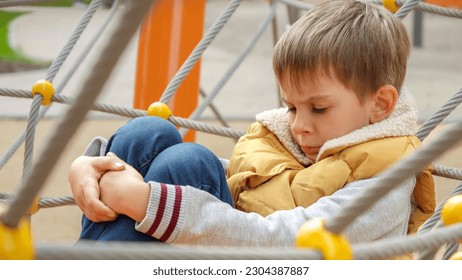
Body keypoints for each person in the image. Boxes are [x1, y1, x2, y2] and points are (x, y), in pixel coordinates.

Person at [69, 0, 435, 246]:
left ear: (380, 104)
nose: (299, 125)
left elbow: (286, 239)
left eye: (318, 109)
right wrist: (93, 167)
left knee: (189, 163)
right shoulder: (314, 142)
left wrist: (149, 202)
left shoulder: (386, 184)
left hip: (275, 258)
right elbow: (253, 187)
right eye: (291, 107)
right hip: (240, 244)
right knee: (148, 133)